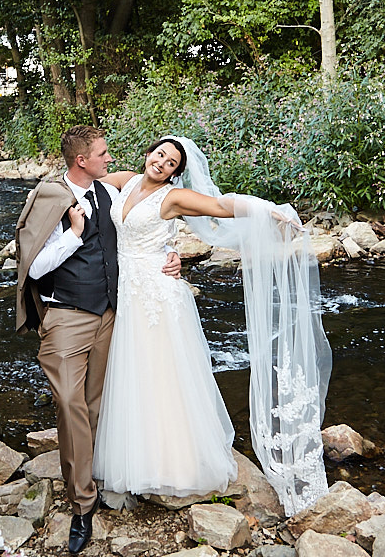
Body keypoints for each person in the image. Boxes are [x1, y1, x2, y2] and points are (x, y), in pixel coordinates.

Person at [92, 136, 332, 516]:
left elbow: (220, 206)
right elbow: (86, 185)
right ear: (147, 153)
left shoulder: (172, 198)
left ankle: (175, 464)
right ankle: (134, 454)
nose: (161, 163)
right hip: (128, 291)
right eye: (159, 154)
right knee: (133, 373)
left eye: (171, 163)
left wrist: (266, 209)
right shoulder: (125, 181)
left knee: (164, 375)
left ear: (176, 172)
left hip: (157, 294)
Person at [15, 125, 181, 554]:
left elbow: (140, 229)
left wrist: (171, 255)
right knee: (69, 404)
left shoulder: (110, 192)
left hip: (109, 314)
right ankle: (81, 506)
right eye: (103, 153)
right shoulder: (51, 199)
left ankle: (100, 476)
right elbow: (34, 268)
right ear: (81, 161)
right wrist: (73, 232)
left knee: (95, 402)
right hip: (67, 317)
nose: (111, 158)